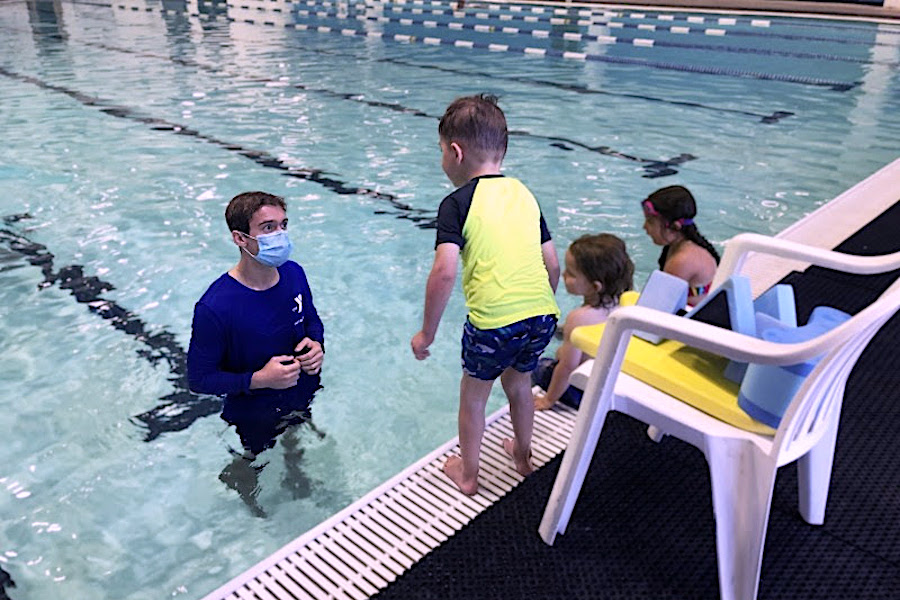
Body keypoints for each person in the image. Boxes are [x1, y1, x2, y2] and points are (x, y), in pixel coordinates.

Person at [410, 94, 561, 496]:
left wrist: (427, 333)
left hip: (494, 323)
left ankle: (469, 474)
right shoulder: (525, 195)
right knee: (519, 386)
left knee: (474, 398)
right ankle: (524, 458)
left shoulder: (457, 203)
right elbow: (553, 265)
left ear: (455, 152)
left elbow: (444, 272)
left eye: (441, 151)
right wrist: (538, 310)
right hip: (542, 315)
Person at [187, 191, 325, 516]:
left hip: (300, 390)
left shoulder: (294, 274)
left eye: (283, 225)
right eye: (267, 227)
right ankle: (242, 477)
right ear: (239, 238)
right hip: (253, 410)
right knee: (258, 454)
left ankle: (295, 471)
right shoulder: (216, 307)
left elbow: (312, 321)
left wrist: (317, 345)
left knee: (295, 433)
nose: (280, 235)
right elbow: (199, 378)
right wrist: (258, 379)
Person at [533, 233, 634, 411]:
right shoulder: (625, 304)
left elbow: (567, 368)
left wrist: (548, 401)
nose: (563, 275)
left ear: (595, 286)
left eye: (570, 273)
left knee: (535, 366)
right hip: (608, 390)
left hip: (581, 394)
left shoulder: (579, 318)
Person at [641, 185, 719, 305]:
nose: (645, 227)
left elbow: (660, 306)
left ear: (675, 227)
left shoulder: (682, 261)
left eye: (650, 222)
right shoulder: (682, 246)